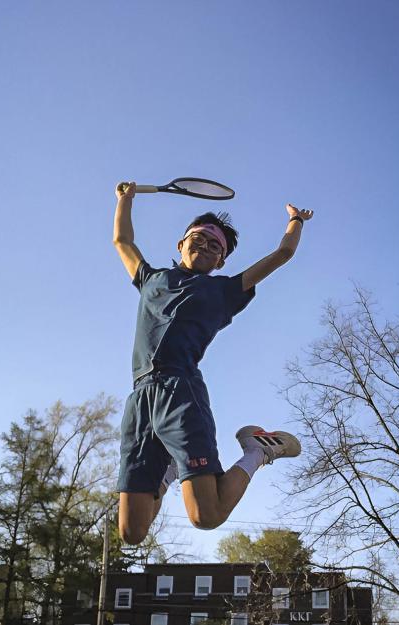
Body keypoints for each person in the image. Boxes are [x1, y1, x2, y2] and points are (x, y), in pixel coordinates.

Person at [113, 181, 314, 544]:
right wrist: (125, 200)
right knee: (131, 532)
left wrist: (296, 221)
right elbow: (123, 242)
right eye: (199, 238)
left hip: (180, 392)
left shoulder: (225, 292)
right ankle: (171, 468)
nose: (204, 246)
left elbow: (282, 254)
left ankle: (257, 451)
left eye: (215, 246)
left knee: (206, 517)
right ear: (181, 243)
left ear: (221, 261)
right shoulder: (151, 278)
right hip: (140, 398)